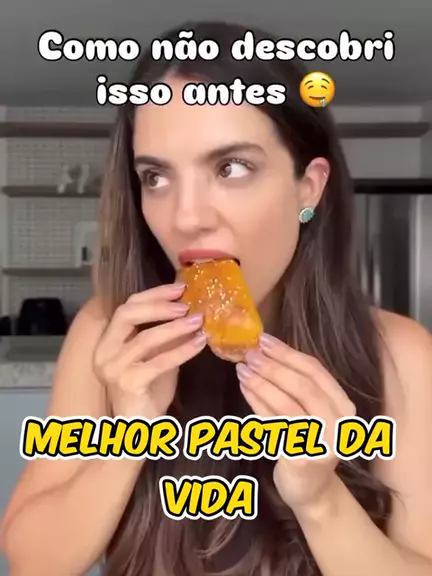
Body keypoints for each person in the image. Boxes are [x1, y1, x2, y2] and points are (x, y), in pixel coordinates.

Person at [1, 20, 431, 576]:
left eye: (231, 168)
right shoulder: (109, 334)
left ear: (308, 187)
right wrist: (127, 438)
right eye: (155, 177)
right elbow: (33, 561)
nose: (185, 218)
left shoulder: (401, 353)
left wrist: (321, 500)